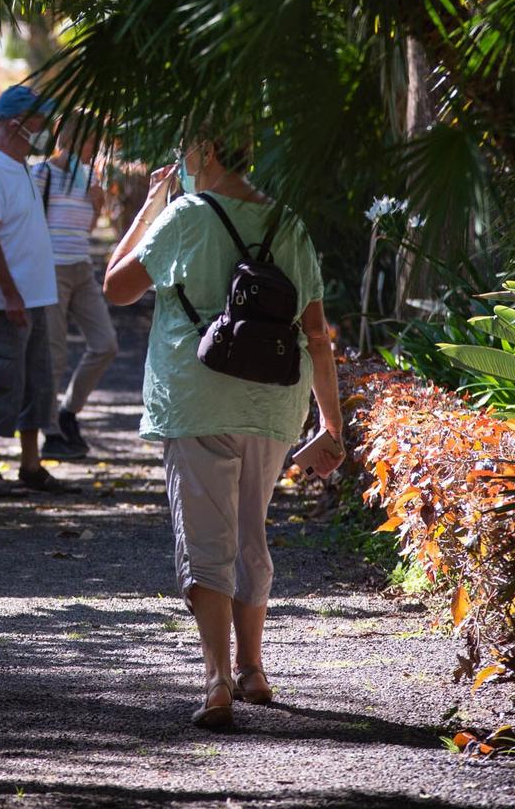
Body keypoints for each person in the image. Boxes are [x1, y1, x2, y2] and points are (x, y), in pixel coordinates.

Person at [102, 133, 344, 731]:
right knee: (249, 531)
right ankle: (253, 670)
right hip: (274, 399)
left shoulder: (185, 215)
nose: (181, 161)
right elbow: (317, 332)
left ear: (206, 151)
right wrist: (331, 423)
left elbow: (117, 286)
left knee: (206, 538)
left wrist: (150, 206)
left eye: (187, 149)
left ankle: (216, 683)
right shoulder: (288, 223)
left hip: (198, 396)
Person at [0, 84, 69, 497]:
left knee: (37, 382)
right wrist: (10, 294)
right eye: (38, 121)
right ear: (14, 124)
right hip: (4, 300)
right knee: (0, 380)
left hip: (34, 295)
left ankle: (31, 464)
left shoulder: (19, 164)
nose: (43, 129)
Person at [29, 115, 117, 460]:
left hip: (82, 267)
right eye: (92, 140)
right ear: (72, 137)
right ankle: (50, 432)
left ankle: (68, 411)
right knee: (54, 352)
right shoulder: (42, 173)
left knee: (105, 344)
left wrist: (97, 204)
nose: (95, 148)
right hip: (50, 269)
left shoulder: (90, 175)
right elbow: (29, 224)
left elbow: (86, 229)